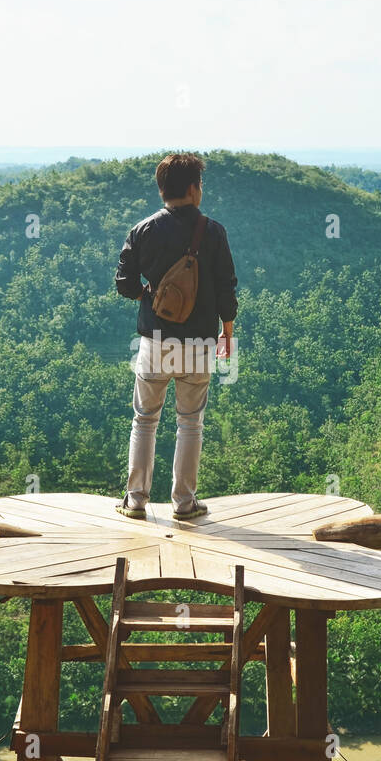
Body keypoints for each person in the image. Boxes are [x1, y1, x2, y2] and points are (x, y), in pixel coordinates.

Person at [113, 153, 237, 520]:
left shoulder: (143, 230)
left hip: (154, 341)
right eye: (200, 184)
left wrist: (148, 297)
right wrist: (227, 330)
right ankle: (184, 503)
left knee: (144, 420)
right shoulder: (213, 232)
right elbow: (226, 287)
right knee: (190, 423)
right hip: (199, 343)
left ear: (162, 189)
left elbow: (124, 282)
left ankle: (135, 501)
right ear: (193, 189)